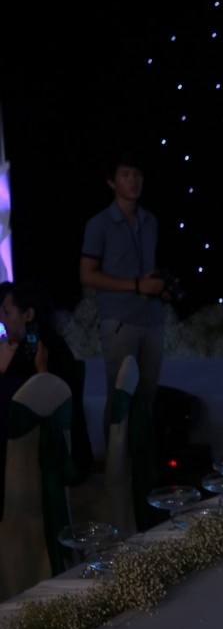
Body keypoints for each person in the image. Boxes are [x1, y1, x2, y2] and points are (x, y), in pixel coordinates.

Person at [79, 152, 166, 434]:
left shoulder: (150, 221)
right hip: (120, 321)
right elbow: (87, 275)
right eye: (126, 175)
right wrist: (135, 285)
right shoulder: (100, 224)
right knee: (120, 394)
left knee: (147, 394)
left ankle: (143, 456)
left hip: (151, 319)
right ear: (112, 182)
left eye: (137, 174)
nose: (133, 180)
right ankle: (117, 460)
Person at [0, 279, 93, 515]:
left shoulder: (38, 352)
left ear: (28, 314)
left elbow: (16, 407)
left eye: (7, 313)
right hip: (60, 453)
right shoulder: (47, 343)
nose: (2, 320)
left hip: (56, 459)